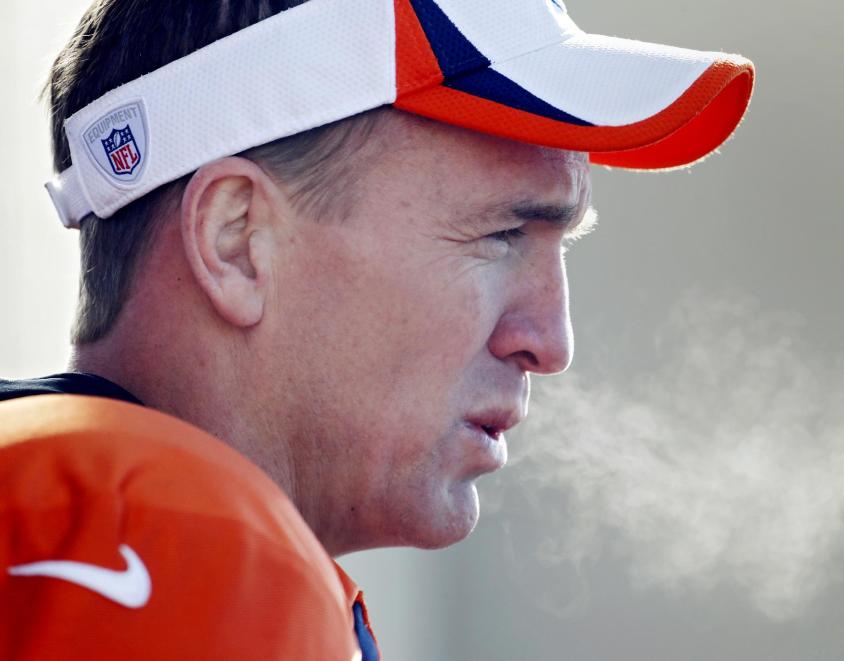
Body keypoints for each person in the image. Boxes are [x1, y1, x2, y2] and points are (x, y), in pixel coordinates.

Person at [0, 0, 754, 658]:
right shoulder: (175, 543)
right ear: (237, 239)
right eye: (501, 234)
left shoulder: (74, 513)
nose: (550, 341)